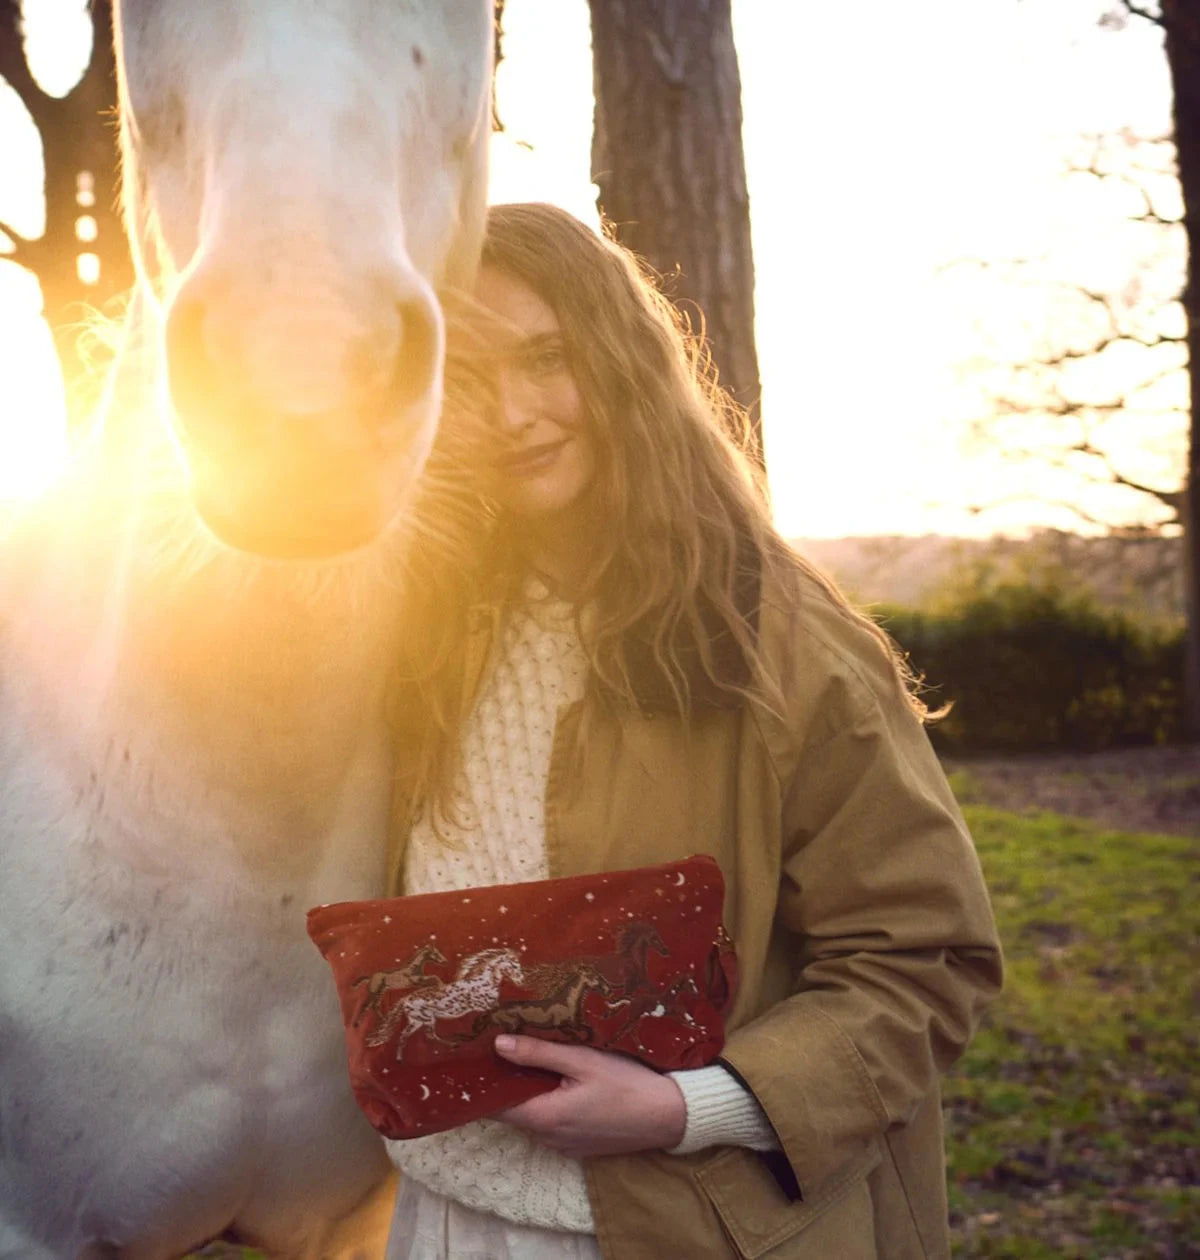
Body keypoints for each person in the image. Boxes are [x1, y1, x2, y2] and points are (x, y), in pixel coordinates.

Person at [384, 202, 1002, 1260]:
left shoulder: (783, 644)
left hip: (681, 1227)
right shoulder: (419, 629)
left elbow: (923, 966)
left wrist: (692, 1108)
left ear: (623, 360)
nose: (513, 413)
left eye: (548, 358)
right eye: (469, 377)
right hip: (438, 1218)